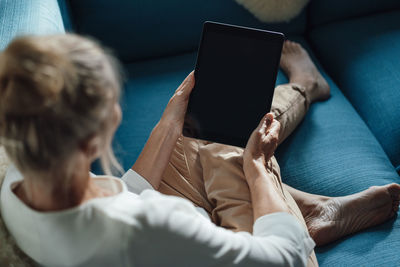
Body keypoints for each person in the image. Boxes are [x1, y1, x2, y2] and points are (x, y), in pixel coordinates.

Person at [0, 34, 398, 267]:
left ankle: (309, 206)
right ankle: (304, 97)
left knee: (203, 131)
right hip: (277, 255)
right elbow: (280, 258)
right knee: (237, 143)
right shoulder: (148, 225)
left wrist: (169, 125)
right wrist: (258, 165)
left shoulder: (17, 172)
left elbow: (119, 201)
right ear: (91, 141)